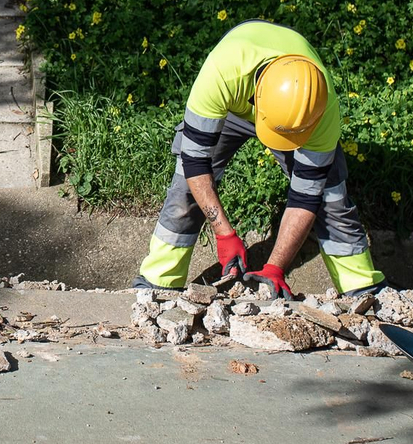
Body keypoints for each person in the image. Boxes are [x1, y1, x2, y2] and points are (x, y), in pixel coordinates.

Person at [134, 19, 385, 297]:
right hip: (234, 105)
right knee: (187, 185)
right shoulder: (223, 73)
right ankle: (158, 285)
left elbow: (306, 197)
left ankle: (363, 291)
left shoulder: (321, 110)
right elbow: (195, 162)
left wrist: (276, 267)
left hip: (296, 120)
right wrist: (224, 233)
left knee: (330, 197)